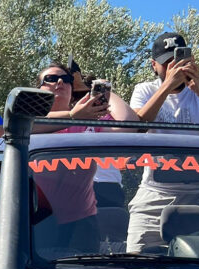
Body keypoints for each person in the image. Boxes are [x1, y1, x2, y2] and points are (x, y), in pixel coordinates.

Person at [127, 32, 199, 252]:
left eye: (179, 61)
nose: (175, 67)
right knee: (138, 260)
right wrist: (167, 87)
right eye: (167, 63)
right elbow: (136, 128)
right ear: (154, 65)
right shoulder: (145, 90)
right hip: (154, 192)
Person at [36, 61, 140, 208]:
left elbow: (128, 125)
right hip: (46, 203)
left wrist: (101, 89)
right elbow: (25, 125)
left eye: (67, 80)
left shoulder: (87, 120)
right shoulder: (29, 119)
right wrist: (72, 116)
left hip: (92, 199)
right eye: (51, 79)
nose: (60, 82)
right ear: (38, 89)